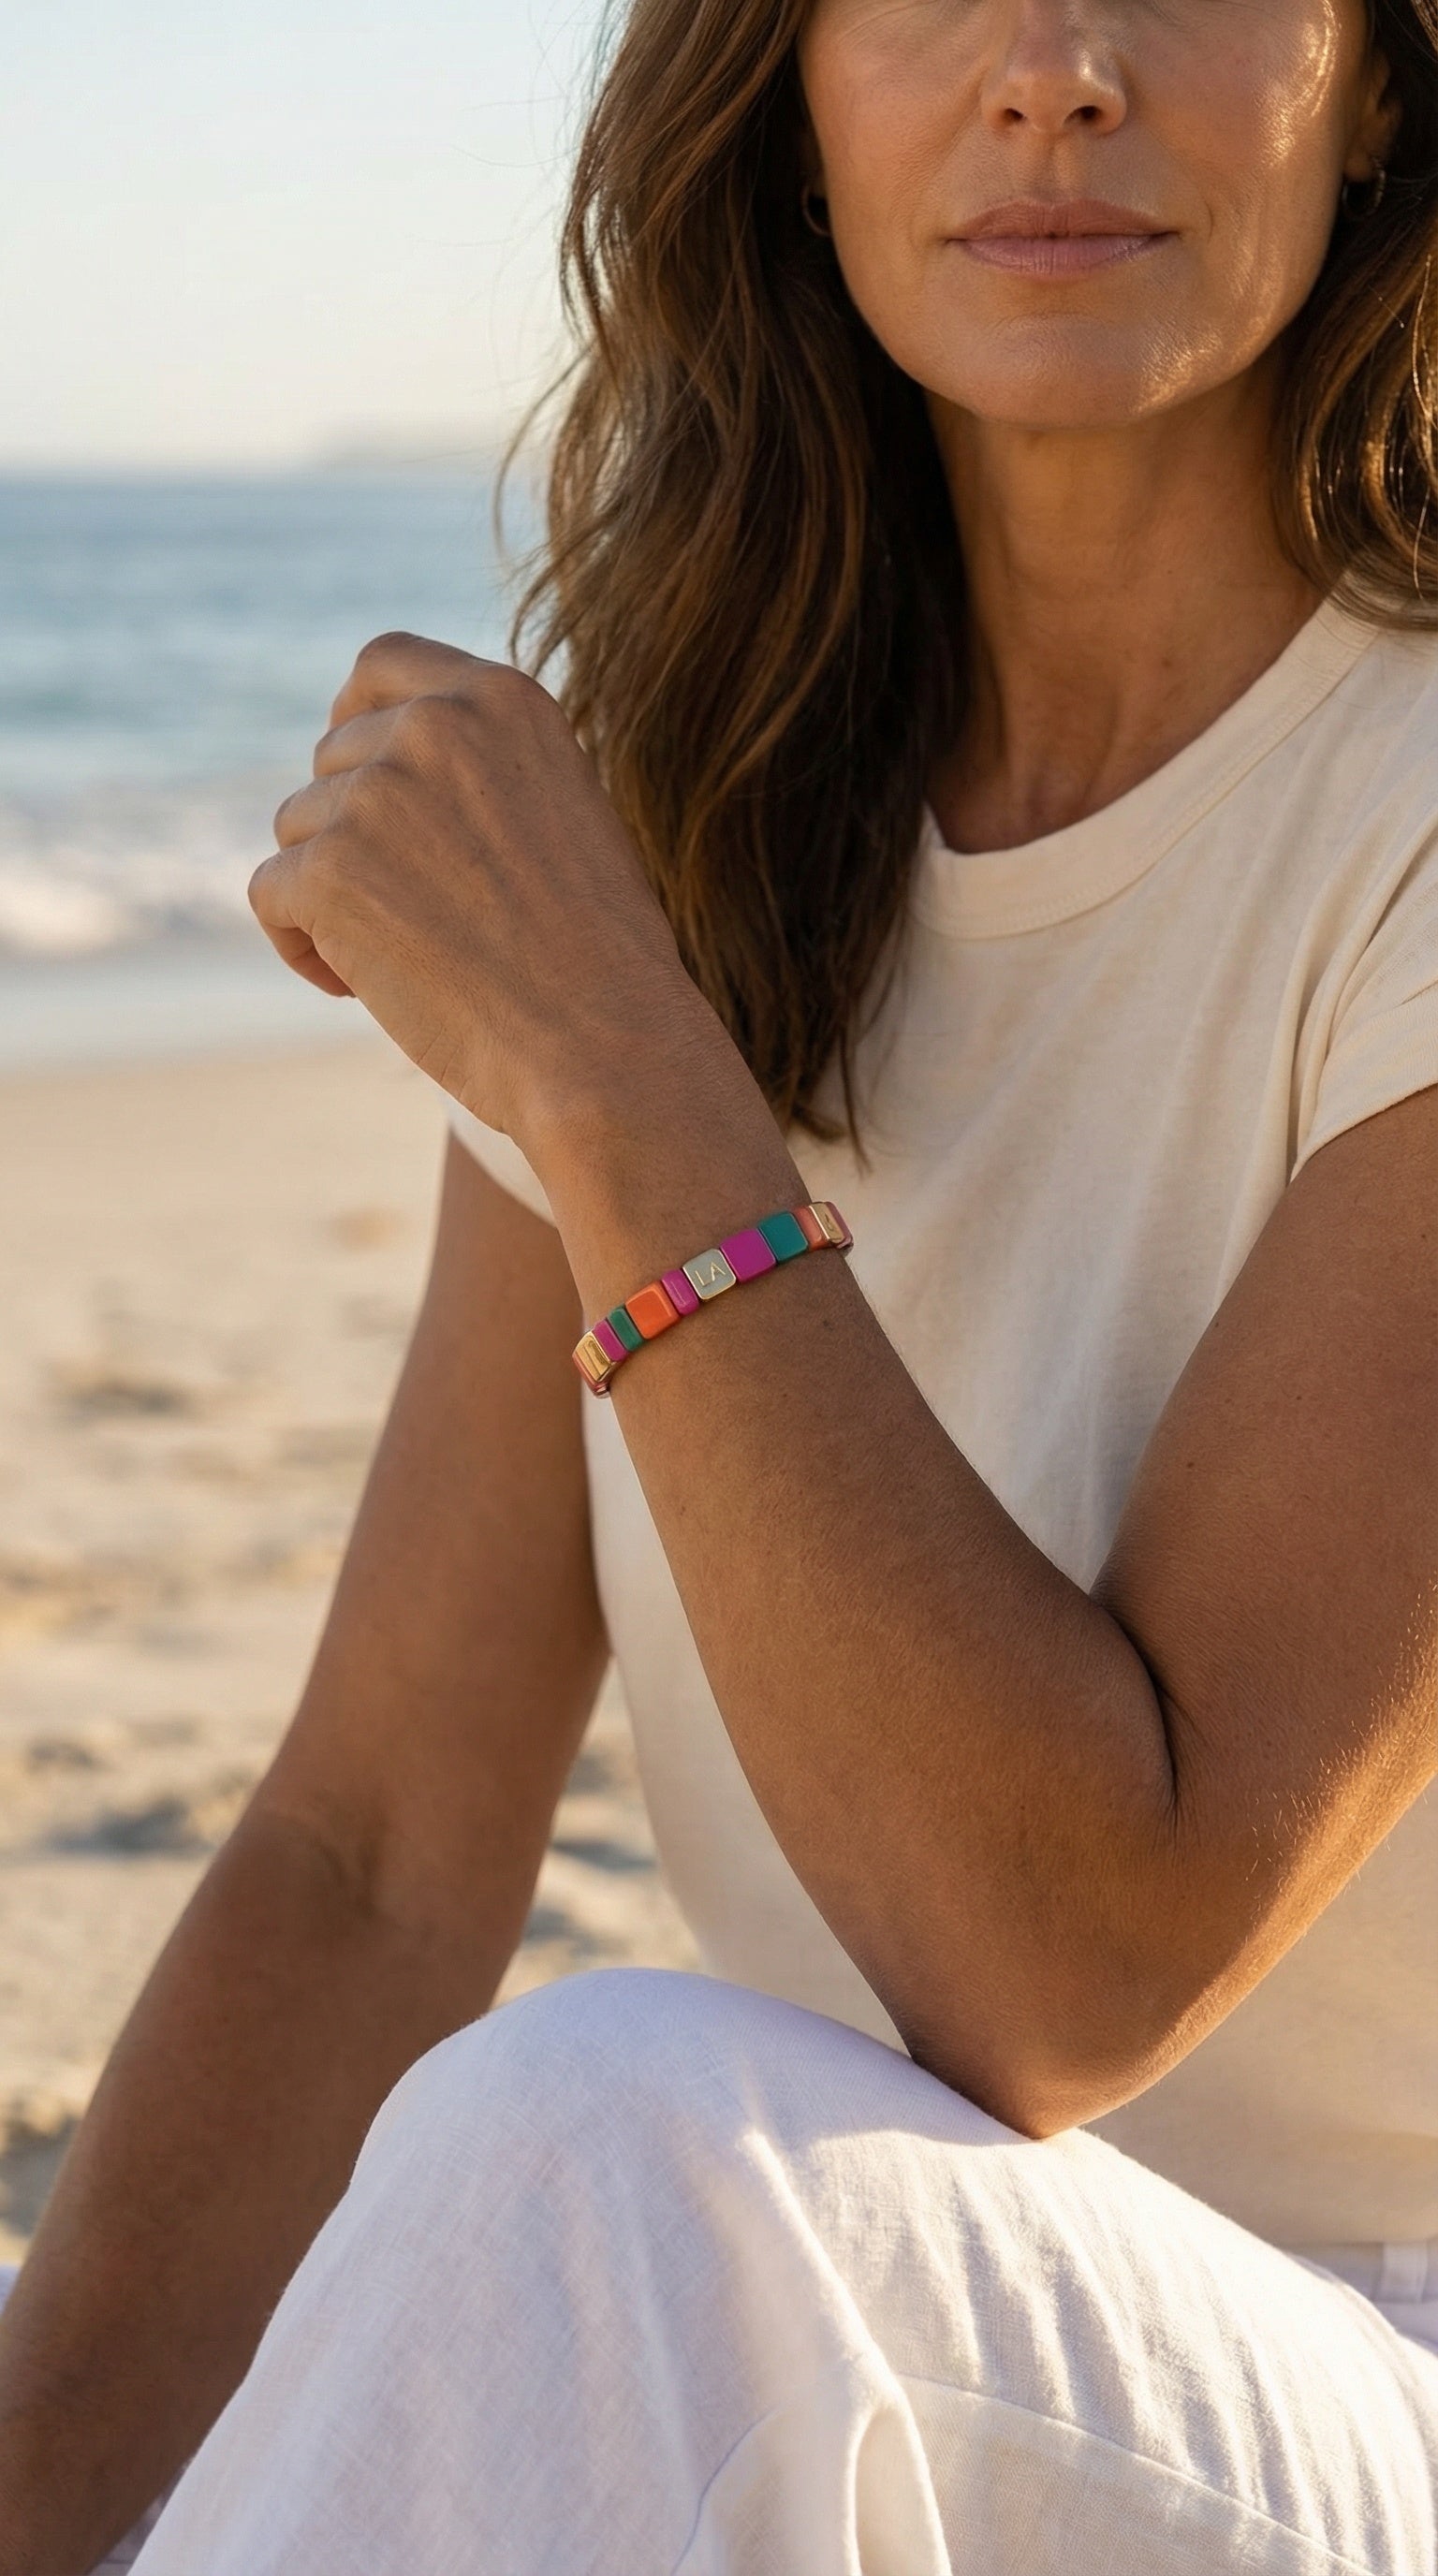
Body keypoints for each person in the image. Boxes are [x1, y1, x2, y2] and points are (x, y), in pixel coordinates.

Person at [3, 0, 1438, 2564]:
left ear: (1387, 80)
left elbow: (1077, 1973)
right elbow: (370, 1854)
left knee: (605, 2136)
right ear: (782, 95)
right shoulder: (703, 801)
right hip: (812, 2347)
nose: (1059, 66)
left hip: (1362, 2381)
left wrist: (613, 1070)